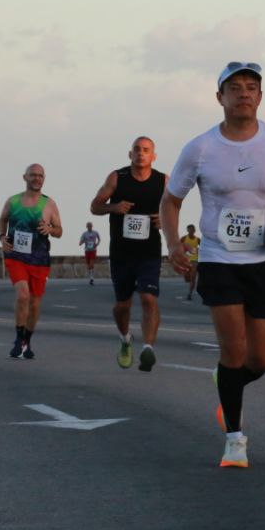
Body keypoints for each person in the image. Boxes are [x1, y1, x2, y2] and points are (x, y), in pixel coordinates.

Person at [161, 61, 265, 469]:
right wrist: (173, 244)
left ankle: (227, 384)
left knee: (260, 360)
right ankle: (235, 438)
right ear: (219, 97)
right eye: (235, 87)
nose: (243, 93)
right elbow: (171, 200)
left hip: (264, 260)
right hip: (220, 259)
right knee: (234, 351)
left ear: (260, 96)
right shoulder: (201, 148)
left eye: (251, 87)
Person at [91, 137, 167, 372]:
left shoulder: (162, 180)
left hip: (149, 252)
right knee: (122, 306)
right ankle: (125, 339)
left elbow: (172, 208)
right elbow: (95, 206)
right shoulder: (117, 178)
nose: (140, 154)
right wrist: (113, 207)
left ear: (153, 156)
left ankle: (148, 349)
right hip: (122, 253)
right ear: (130, 154)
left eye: (146, 150)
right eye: (136, 149)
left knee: (148, 298)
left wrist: (164, 219)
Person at [0, 164, 63, 359]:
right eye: (33, 175)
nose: (36, 178)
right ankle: (18, 338)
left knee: (35, 303)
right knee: (23, 295)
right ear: (25, 177)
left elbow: (59, 231)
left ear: (44, 179)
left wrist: (50, 230)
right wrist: (2, 237)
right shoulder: (13, 201)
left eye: (40, 176)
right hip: (16, 256)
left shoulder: (49, 204)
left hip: (39, 259)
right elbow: (3, 219)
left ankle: (27, 340)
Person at [180, 225, 201, 300]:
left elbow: (203, 248)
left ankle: (190, 294)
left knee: (193, 278)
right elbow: (178, 246)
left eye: (192, 230)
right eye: (189, 230)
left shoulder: (197, 239)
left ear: (194, 231)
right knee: (187, 278)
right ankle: (188, 279)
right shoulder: (184, 238)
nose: (191, 231)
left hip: (194, 260)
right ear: (187, 230)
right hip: (186, 260)